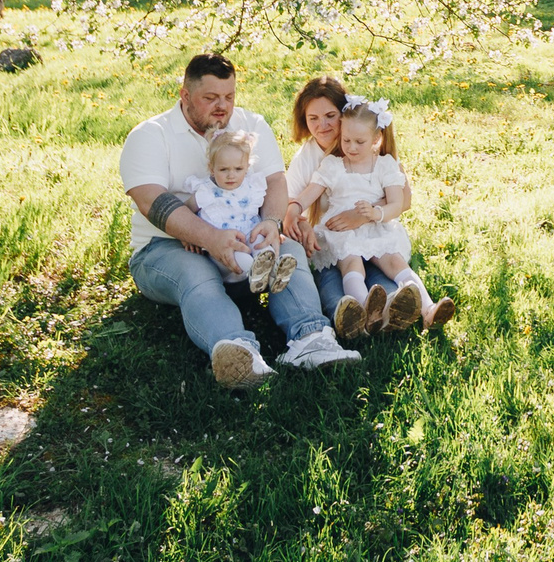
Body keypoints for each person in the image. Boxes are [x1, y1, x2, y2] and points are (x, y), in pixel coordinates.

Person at [120, 52, 359, 388]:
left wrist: (272, 224)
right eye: (211, 98)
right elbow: (151, 201)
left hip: (246, 239)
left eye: (229, 97)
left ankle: (311, 338)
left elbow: (276, 181)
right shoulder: (150, 135)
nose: (223, 107)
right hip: (165, 248)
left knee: (286, 249)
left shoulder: (251, 125)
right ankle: (239, 352)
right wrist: (209, 238)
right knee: (197, 271)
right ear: (185, 95)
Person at [283, 75, 454, 335]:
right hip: (335, 240)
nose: (323, 126)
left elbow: (401, 201)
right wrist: (297, 216)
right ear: (304, 121)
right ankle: (359, 316)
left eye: (330, 116)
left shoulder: (378, 156)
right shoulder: (318, 161)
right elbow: (297, 199)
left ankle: (420, 311)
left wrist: (368, 215)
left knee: (391, 275)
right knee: (339, 283)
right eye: (313, 119)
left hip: (375, 232)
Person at [183, 132, 296, 292]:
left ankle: (274, 273)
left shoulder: (250, 185)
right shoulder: (206, 191)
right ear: (212, 168)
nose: (231, 175)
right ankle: (257, 274)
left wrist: (273, 227)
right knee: (241, 256)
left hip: (250, 231)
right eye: (223, 169)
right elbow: (186, 210)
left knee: (262, 246)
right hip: (224, 241)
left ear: (247, 168)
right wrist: (188, 234)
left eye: (238, 169)